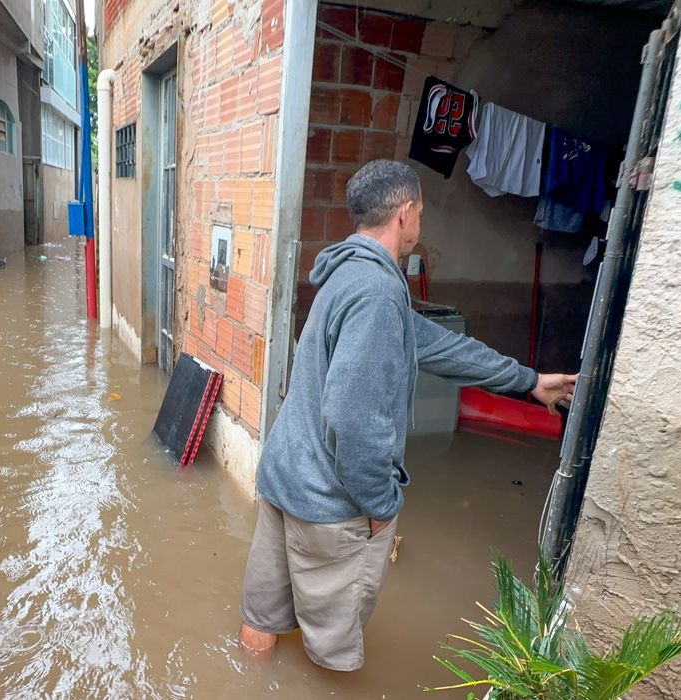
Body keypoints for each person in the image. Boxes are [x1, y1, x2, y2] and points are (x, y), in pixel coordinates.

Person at [237, 159, 576, 671]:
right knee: (330, 656)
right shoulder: (376, 293)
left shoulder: (349, 273)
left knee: (261, 618)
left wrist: (527, 381)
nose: (422, 222)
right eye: (422, 210)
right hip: (328, 507)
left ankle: (244, 679)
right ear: (406, 211)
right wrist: (378, 508)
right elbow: (351, 419)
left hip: (284, 479)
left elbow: (436, 345)